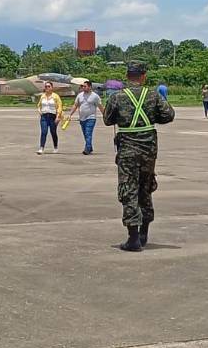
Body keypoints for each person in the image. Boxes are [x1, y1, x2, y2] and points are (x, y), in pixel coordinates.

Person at [102, 61, 174, 252]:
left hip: (127, 149)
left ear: (127, 76)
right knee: (146, 186)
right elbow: (168, 115)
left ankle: (133, 238)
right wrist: (150, 117)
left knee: (129, 188)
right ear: (143, 76)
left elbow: (108, 120)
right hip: (149, 149)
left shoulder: (117, 96)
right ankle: (144, 234)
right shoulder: (153, 95)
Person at [67, 80, 101, 155]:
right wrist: (70, 114)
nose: (83, 88)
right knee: (85, 134)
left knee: (88, 133)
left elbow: (100, 106)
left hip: (91, 118)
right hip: (82, 118)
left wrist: (106, 115)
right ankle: (90, 147)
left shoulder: (95, 96)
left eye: (85, 86)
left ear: (90, 87)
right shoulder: (80, 95)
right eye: (82, 86)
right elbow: (75, 105)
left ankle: (87, 149)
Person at [36, 82, 63, 154]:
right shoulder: (43, 96)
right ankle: (41, 148)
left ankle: (55, 147)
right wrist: (39, 111)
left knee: (53, 132)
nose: (47, 88)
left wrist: (58, 116)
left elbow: (59, 106)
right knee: (44, 132)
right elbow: (39, 105)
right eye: (46, 86)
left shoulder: (55, 96)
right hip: (44, 116)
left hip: (52, 116)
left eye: (48, 86)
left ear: (52, 87)